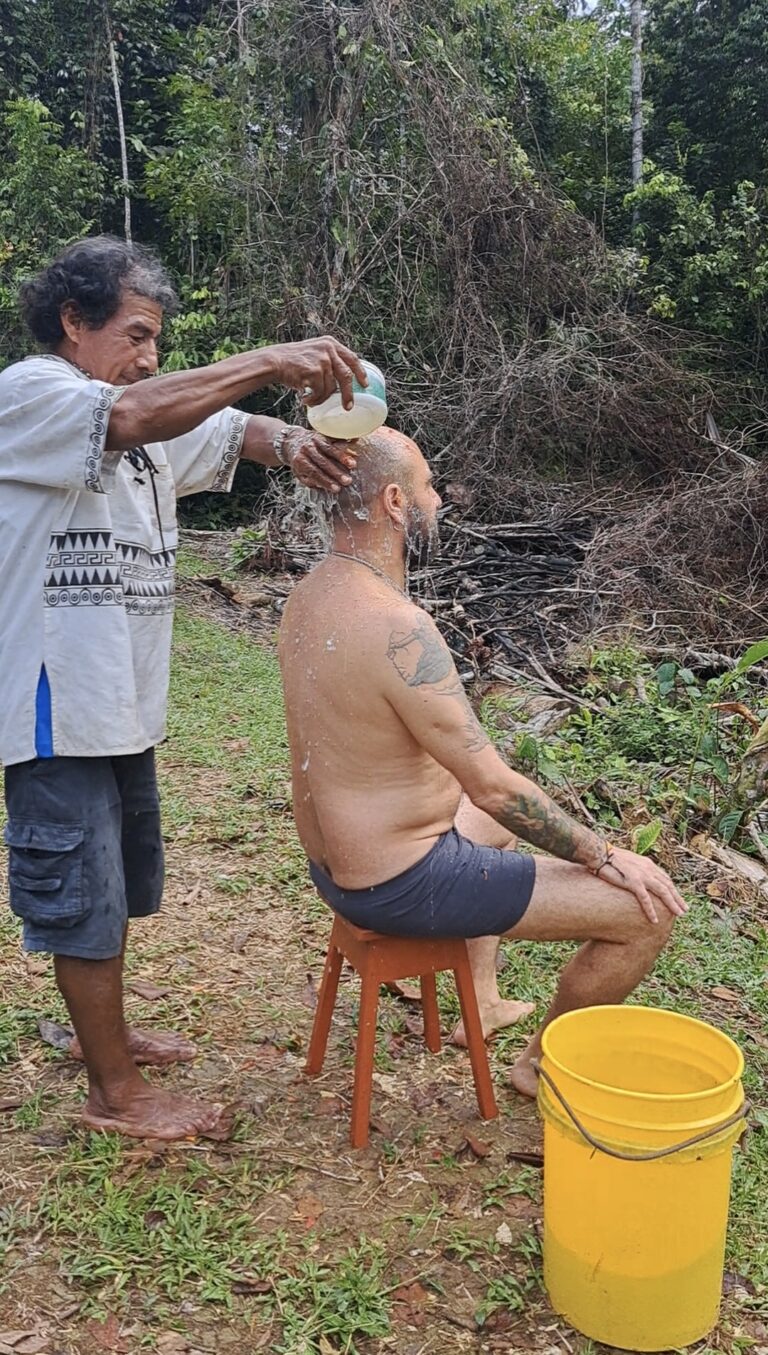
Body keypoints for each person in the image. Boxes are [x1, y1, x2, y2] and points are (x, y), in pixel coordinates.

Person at [0, 234, 368, 1140]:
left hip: (121, 700)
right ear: (73, 323)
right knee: (82, 893)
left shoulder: (142, 416)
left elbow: (222, 431)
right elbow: (133, 414)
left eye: (157, 339)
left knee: (117, 880)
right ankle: (114, 1094)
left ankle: (108, 1038)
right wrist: (270, 359)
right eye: (134, 333)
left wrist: (291, 441)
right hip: (57, 704)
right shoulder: (34, 394)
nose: (149, 355)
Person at [278, 428, 687, 1097]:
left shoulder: (310, 594)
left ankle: (485, 1000)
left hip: (334, 866)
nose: (438, 500)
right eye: (429, 487)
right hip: (398, 883)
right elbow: (496, 788)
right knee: (647, 914)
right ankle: (539, 1065)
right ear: (393, 502)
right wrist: (606, 854)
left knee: (485, 821)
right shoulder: (396, 626)